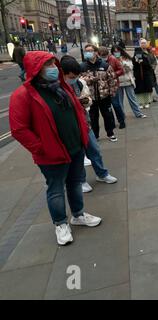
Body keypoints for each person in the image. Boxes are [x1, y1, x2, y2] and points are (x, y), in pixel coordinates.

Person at [9, 51, 102, 246]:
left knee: (75, 183)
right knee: (56, 189)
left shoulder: (62, 87)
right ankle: (60, 224)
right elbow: (19, 129)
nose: (53, 68)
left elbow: (76, 110)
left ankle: (78, 215)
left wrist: (83, 132)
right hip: (51, 154)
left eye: (54, 64)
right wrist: (41, 148)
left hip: (75, 147)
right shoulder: (23, 95)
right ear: (36, 69)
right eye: (48, 65)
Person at [60, 55, 119, 193]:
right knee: (79, 155)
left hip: (85, 123)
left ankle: (102, 174)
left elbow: (88, 100)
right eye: (71, 75)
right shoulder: (58, 87)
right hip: (70, 128)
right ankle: (81, 181)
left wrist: (83, 101)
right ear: (63, 73)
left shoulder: (80, 83)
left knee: (94, 150)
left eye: (76, 75)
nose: (73, 78)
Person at [80, 44, 118, 142]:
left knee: (108, 115)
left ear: (96, 52)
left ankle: (110, 133)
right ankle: (95, 135)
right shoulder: (82, 66)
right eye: (86, 51)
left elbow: (112, 79)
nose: (88, 53)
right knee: (93, 117)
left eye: (91, 50)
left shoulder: (104, 65)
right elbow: (80, 82)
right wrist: (90, 80)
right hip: (91, 97)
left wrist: (112, 92)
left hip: (104, 96)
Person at [110, 45, 147, 119]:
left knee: (132, 98)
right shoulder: (111, 59)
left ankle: (138, 113)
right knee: (119, 100)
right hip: (118, 81)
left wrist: (122, 63)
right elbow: (111, 70)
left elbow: (130, 68)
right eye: (115, 51)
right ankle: (122, 115)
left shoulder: (126, 58)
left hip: (128, 80)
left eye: (118, 51)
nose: (116, 53)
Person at [98, 46, 126, 129]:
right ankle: (112, 123)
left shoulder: (113, 59)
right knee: (108, 107)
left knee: (116, 104)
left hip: (113, 85)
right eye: (102, 56)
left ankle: (121, 121)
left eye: (105, 56)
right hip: (103, 87)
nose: (104, 58)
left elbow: (121, 70)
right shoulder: (98, 61)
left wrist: (113, 75)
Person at [133, 39, 155, 108]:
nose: (143, 44)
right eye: (142, 43)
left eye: (144, 43)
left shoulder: (149, 51)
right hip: (138, 74)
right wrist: (136, 61)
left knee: (147, 88)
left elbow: (152, 61)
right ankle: (140, 103)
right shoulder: (136, 52)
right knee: (139, 89)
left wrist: (149, 64)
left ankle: (147, 102)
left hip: (147, 73)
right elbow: (133, 63)